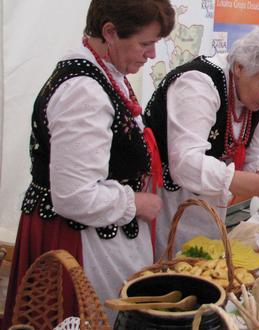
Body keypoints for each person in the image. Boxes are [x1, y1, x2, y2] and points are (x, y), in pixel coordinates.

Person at [2, 0, 175, 327]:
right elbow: (75, 196)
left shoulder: (107, 75)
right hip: (75, 241)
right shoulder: (83, 91)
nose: (151, 54)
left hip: (93, 233)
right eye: (145, 43)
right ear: (110, 32)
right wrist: (135, 201)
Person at [144, 26, 259, 257]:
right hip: (167, 202)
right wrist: (256, 185)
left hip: (209, 203)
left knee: (208, 263)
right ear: (240, 67)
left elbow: (256, 151)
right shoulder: (198, 83)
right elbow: (186, 164)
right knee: (172, 265)